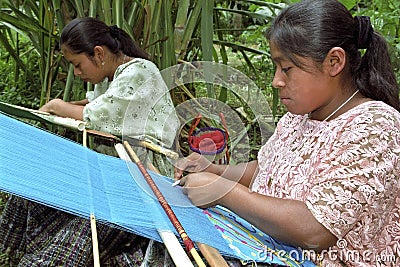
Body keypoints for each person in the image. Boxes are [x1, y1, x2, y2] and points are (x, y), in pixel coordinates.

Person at [174, 1, 400, 266]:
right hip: (269, 249)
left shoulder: (376, 127)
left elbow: (315, 229)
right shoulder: (298, 117)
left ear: (334, 62)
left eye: (287, 68)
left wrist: (224, 192)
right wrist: (214, 170)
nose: (276, 81)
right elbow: (267, 171)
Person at [0, 17, 179, 266]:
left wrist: (56, 106)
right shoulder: (112, 78)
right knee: (33, 191)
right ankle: (16, 251)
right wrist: (60, 110)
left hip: (147, 180)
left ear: (98, 53)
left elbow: (96, 116)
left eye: (77, 64)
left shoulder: (141, 73)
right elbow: (92, 105)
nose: (76, 72)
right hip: (112, 172)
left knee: (85, 226)